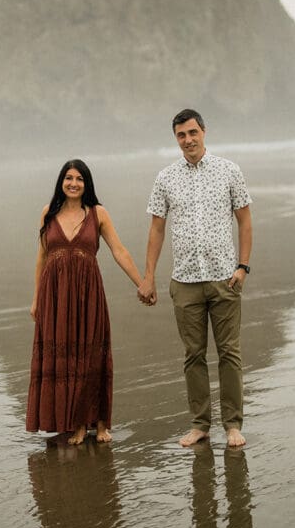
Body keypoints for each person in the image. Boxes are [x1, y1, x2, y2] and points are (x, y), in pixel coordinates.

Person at [138, 109, 253, 448]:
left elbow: (245, 221)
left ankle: (232, 425)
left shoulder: (229, 171)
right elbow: (156, 229)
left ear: (203, 131)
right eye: (181, 135)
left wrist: (243, 267)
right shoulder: (166, 178)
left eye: (192, 132)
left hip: (225, 279)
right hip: (185, 281)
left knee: (229, 353)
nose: (188, 140)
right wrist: (149, 277)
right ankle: (200, 424)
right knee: (193, 355)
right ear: (176, 138)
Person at [26, 159, 146, 445]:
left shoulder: (98, 213)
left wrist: (141, 283)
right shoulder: (48, 212)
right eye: (68, 178)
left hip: (88, 295)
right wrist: (36, 299)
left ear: (87, 183)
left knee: (92, 356)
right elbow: (42, 258)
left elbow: (119, 251)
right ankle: (75, 423)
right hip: (54, 297)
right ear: (61, 182)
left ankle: (100, 424)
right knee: (65, 357)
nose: (73, 183)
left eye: (79, 179)